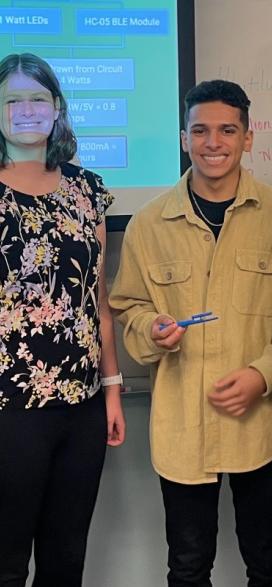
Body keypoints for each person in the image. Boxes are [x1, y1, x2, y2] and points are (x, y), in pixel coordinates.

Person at [109, 80, 272, 587]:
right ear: (183, 138)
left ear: (248, 139)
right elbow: (128, 307)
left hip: (259, 427)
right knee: (188, 565)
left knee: (267, 559)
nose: (212, 142)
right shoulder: (149, 223)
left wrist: (264, 376)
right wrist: (152, 330)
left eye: (227, 130)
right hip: (183, 431)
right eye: (200, 130)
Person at [0, 53, 126, 587]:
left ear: (56, 109)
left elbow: (97, 297)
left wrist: (113, 390)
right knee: (5, 562)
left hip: (81, 408)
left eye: (37, 99)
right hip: (7, 407)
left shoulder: (87, 189)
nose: (26, 110)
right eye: (12, 100)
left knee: (65, 559)